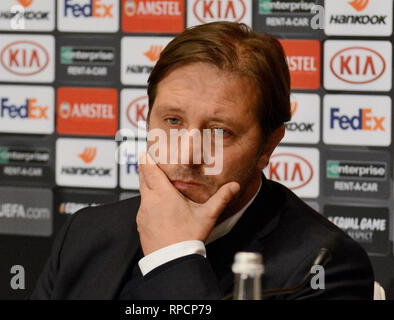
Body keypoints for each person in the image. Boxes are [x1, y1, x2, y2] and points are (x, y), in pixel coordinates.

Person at [31, 22, 374, 300]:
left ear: (268, 144)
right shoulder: (87, 232)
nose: (188, 154)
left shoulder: (323, 266)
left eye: (220, 132)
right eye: (173, 122)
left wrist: (175, 256)